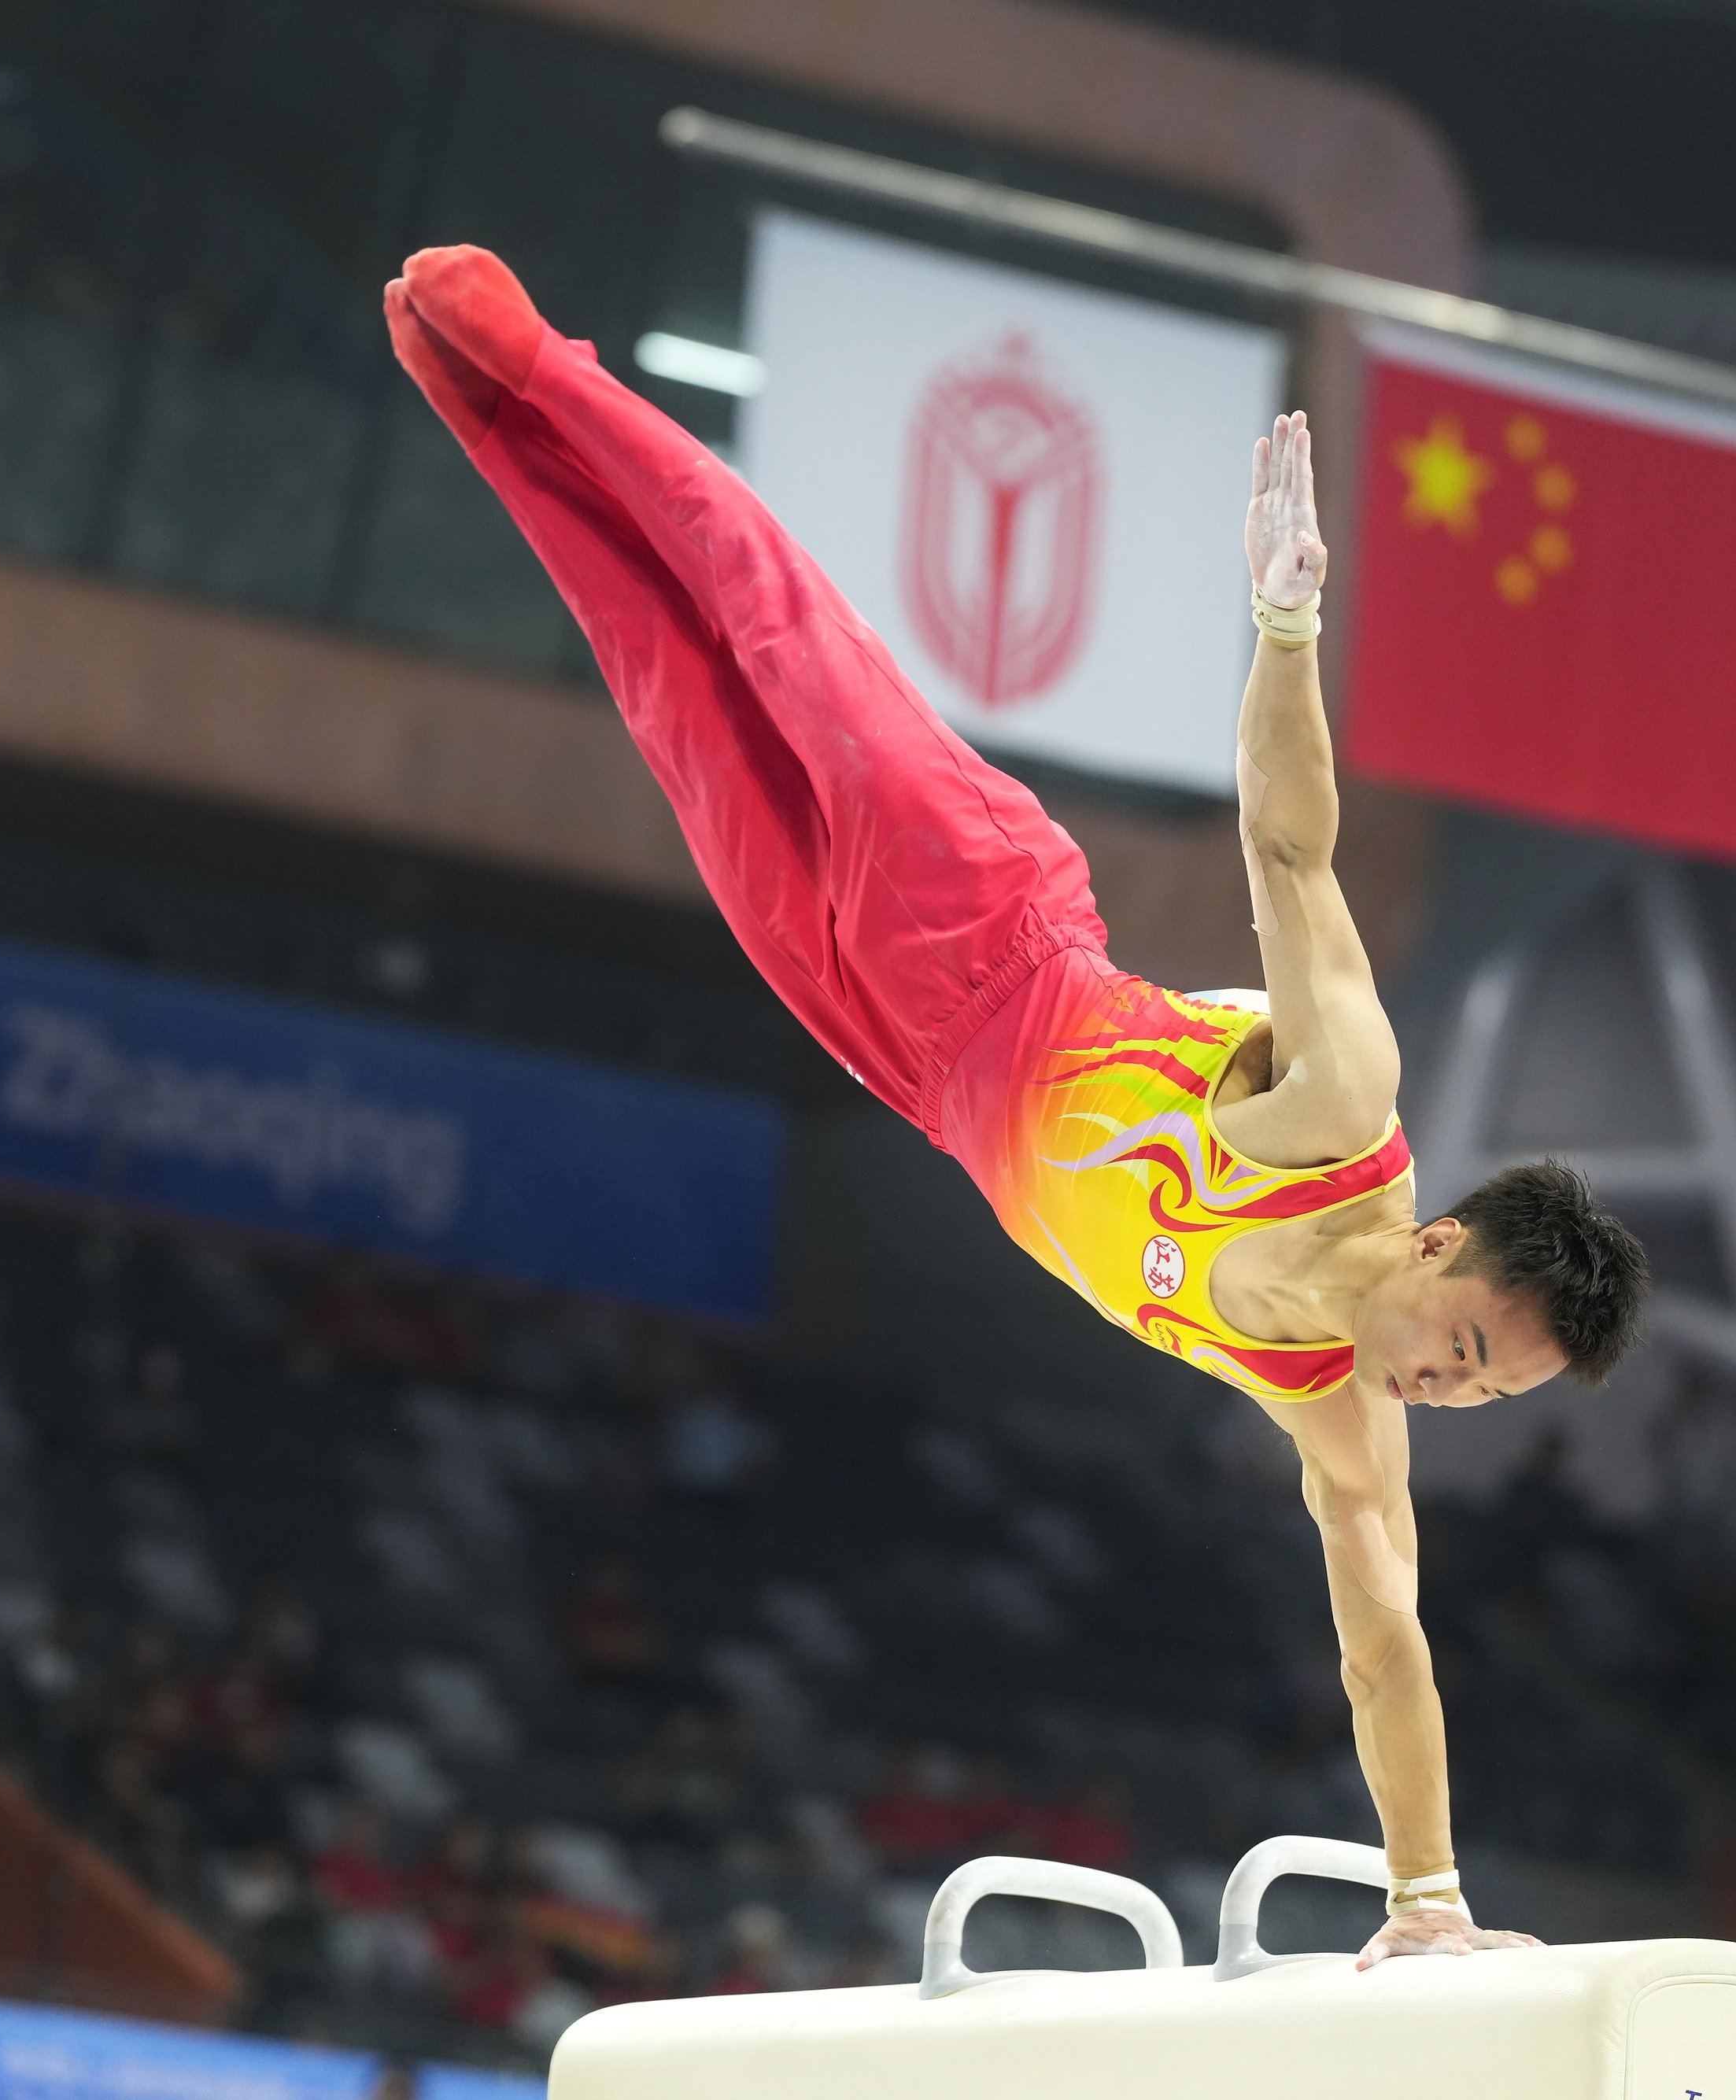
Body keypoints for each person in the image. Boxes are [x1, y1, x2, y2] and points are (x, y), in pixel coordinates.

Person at [383, 248, 1650, 1964]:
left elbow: (1386, 1649)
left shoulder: (1341, 1426)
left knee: (671, 692)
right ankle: (544, 360)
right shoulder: (1338, 1108)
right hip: (990, 926)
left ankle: (481, 412)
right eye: (1472, 1339)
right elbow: (1289, 846)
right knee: (777, 629)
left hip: (903, 1062)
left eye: (1488, 1387)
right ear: (1437, 1243)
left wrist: (1426, 1894)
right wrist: (1287, 628)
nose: (1453, 1383)